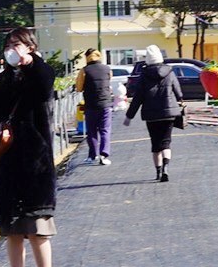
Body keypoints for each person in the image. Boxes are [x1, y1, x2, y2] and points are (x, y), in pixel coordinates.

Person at [0, 27, 58, 267]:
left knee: (38, 230)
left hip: (35, 164)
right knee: (12, 231)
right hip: (7, 163)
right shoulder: (0, 83)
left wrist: (31, 61)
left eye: (18, 44)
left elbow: (44, 85)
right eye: (9, 45)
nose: (12, 49)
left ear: (30, 47)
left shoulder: (39, 74)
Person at [125, 44, 183, 183]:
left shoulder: (144, 76)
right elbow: (179, 92)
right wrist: (179, 100)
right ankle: (166, 169)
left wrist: (129, 116)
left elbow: (137, 98)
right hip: (169, 113)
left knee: (155, 144)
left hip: (151, 115)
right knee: (166, 142)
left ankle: (158, 172)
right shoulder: (170, 72)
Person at [74, 48, 114, 165]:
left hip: (91, 105)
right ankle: (104, 155)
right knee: (105, 130)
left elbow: (79, 88)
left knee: (91, 131)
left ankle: (92, 155)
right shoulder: (107, 69)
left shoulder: (84, 71)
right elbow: (108, 81)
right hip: (105, 104)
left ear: (87, 57)